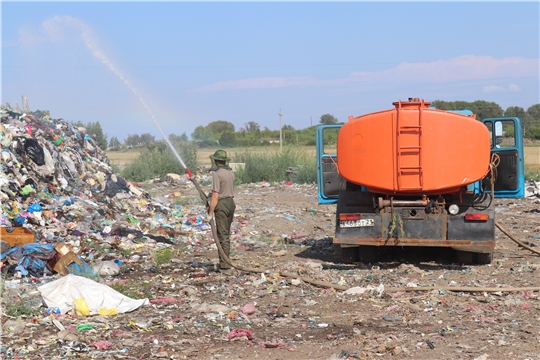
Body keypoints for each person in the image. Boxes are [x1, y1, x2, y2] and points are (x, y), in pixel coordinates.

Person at [207, 150, 236, 275]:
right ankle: (225, 261)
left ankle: (225, 266)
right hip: (231, 203)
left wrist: (210, 213)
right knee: (226, 234)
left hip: (222, 205)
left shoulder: (217, 175)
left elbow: (215, 196)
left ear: (215, 161)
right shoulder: (230, 173)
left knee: (222, 235)